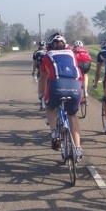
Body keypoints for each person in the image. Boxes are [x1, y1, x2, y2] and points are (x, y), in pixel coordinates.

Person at [39, 33, 83, 161]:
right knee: (72, 116)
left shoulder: (48, 55)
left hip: (57, 85)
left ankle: (54, 134)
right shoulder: (72, 53)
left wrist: (42, 95)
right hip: (75, 86)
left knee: (50, 107)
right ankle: (78, 150)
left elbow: (43, 80)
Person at [32, 41, 47, 110]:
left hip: (41, 71)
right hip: (49, 71)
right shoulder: (49, 51)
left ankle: (41, 99)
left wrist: (33, 71)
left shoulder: (36, 53)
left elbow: (35, 63)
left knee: (40, 85)